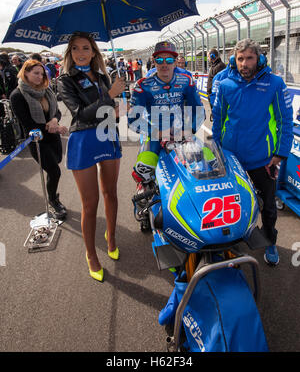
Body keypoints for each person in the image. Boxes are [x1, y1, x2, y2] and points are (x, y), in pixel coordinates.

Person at [212, 38, 293, 266]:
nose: (244, 63)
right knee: (230, 203)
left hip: (263, 160)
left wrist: (280, 154)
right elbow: (217, 119)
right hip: (231, 159)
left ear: (259, 59)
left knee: (268, 206)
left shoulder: (275, 84)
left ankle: (269, 241)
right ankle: (231, 242)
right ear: (234, 60)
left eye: (249, 58)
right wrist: (218, 151)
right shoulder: (224, 83)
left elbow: (284, 121)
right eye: (240, 59)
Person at [57, 31, 126, 283]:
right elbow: (80, 114)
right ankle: (90, 255)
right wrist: (110, 95)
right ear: (70, 53)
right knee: (90, 203)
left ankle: (112, 236)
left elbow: (110, 111)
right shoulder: (65, 80)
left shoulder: (101, 77)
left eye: (86, 48)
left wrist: (118, 102)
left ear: (94, 52)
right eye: (75, 49)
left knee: (111, 193)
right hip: (84, 139)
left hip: (107, 134)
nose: (81, 53)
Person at [128, 41, 204, 182]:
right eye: (159, 60)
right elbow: (133, 120)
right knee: (141, 174)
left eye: (169, 60)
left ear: (175, 62)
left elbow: (198, 111)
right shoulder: (143, 85)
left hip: (182, 134)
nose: (164, 64)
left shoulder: (187, 80)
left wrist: (188, 130)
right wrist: (158, 133)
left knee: (208, 164)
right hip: (155, 136)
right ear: (154, 62)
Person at [10, 59, 68, 219]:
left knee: (54, 164)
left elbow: (56, 112)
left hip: (53, 138)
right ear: (25, 72)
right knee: (54, 171)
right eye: (35, 73)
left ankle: (52, 197)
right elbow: (27, 124)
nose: (39, 77)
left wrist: (55, 121)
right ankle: (54, 200)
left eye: (42, 74)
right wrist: (53, 126)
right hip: (37, 141)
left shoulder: (46, 90)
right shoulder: (17, 95)